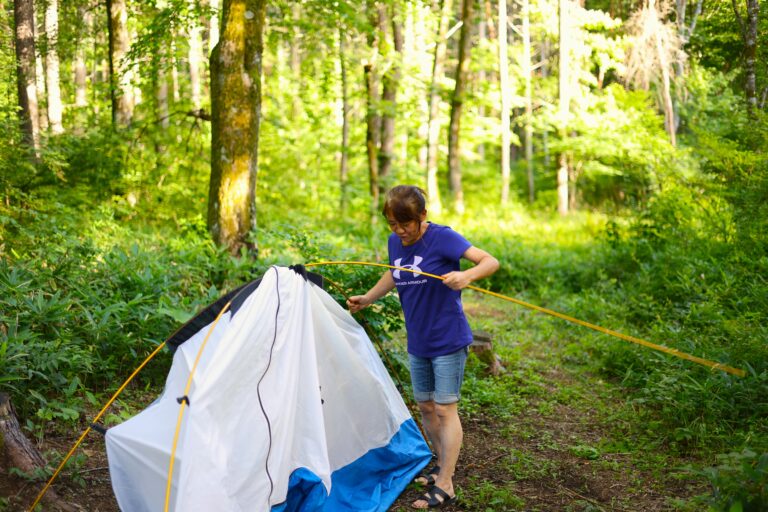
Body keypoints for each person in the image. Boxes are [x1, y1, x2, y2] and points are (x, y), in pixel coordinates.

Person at [347, 185, 499, 509]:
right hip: (418, 341)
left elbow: (490, 261)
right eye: (393, 225)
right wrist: (368, 298)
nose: (400, 231)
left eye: (406, 224)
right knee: (427, 407)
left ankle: (446, 483)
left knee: (445, 408)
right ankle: (443, 467)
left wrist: (467, 275)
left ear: (422, 217)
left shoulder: (443, 238)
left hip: (448, 339)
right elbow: (396, 275)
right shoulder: (394, 242)